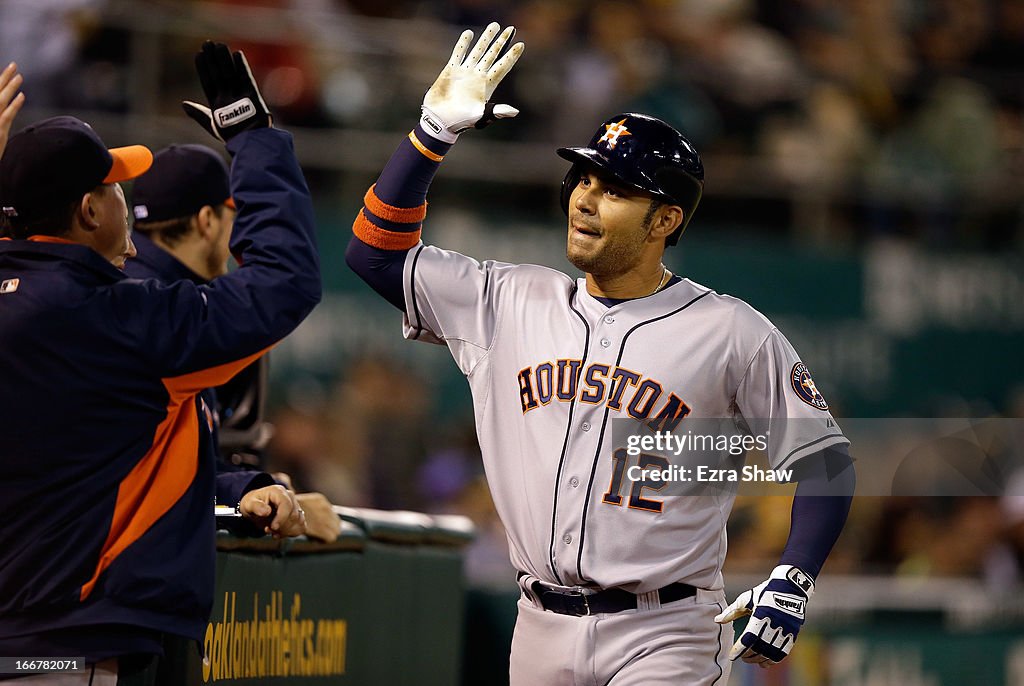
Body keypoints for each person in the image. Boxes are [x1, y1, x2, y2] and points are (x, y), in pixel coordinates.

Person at [346, 23, 855, 684]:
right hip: (538, 625)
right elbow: (371, 255)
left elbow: (825, 459)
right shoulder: (509, 299)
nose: (585, 197)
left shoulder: (729, 330)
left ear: (665, 220)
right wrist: (430, 136)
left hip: (664, 629)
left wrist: (794, 573)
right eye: (584, 178)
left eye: (614, 189)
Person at [0, 41, 320, 682]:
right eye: (116, 187)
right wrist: (254, 138)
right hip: (65, 651)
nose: (129, 203)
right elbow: (284, 283)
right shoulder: (114, 319)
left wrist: (235, 485)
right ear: (89, 210)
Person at [125, 143, 341, 543]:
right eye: (235, 216)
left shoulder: (126, 294)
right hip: (111, 586)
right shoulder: (163, 312)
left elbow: (157, 464)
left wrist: (247, 489)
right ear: (207, 220)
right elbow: (289, 283)